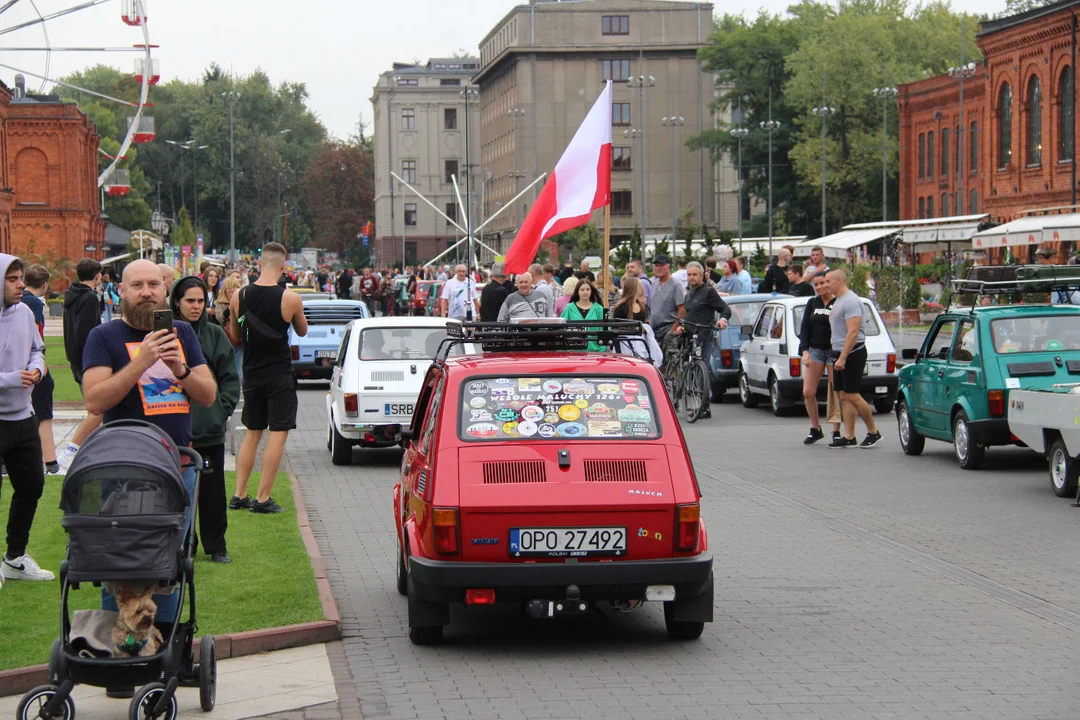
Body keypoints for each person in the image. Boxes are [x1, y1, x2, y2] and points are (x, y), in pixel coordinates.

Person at [82, 259, 216, 665]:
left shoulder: (184, 333)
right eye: (136, 285)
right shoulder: (103, 336)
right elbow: (94, 399)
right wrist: (141, 362)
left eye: (153, 284)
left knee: (170, 562)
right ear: (119, 291)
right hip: (121, 469)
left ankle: (164, 655)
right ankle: (116, 654)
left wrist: (180, 369)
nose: (146, 292)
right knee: (117, 560)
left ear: (165, 290)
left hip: (178, 466)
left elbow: (207, 394)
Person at [229, 243, 308, 514]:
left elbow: (236, 336)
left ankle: (239, 495)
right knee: (278, 432)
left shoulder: (239, 295)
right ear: (283, 267)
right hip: (279, 373)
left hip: (251, 372)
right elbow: (302, 330)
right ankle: (262, 498)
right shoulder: (290, 298)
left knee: (253, 432)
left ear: (259, 264)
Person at [171, 276, 240, 563]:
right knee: (176, 493)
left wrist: (219, 410)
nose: (196, 306)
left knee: (212, 493)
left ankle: (216, 545)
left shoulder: (214, 335)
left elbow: (230, 378)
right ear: (177, 302)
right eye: (190, 300)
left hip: (208, 430)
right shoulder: (164, 334)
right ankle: (182, 544)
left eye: (201, 300)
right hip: (173, 430)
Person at [0, 254, 53, 585]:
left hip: (23, 417)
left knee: (32, 484)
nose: (21, 284)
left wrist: (37, 368)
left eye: (21, 278)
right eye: (13, 279)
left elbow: (38, 349)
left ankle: (14, 557)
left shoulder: (24, 313)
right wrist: (9, 379)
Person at [57, 258, 104, 473]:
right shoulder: (90, 298)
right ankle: (71, 451)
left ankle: (86, 449)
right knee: (99, 408)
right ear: (97, 276)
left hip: (75, 357)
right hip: (87, 359)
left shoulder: (71, 295)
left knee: (96, 408)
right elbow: (85, 332)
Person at [827, 269, 881, 448]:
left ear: (839, 281)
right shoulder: (838, 301)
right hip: (839, 353)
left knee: (852, 394)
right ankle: (849, 435)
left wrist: (843, 357)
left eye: (829, 281)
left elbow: (853, 331)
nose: (826, 285)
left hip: (852, 353)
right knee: (843, 396)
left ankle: (873, 432)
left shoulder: (850, 301)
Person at [676, 262, 731, 419]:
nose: (691, 277)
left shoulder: (708, 292)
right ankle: (685, 398)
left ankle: (704, 407)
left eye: (695, 274)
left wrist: (723, 320)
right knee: (689, 370)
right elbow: (689, 315)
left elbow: (724, 308)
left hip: (704, 336)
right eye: (689, 274)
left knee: (702, 369)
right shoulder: (689, 293)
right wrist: (682, 326)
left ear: (701, 276)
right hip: (689, 336)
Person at [20, 264, 59, 475]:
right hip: (32, 364)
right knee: (43, 411)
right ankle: (50, 460)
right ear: (44, 285)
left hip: (18, 364)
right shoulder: (33, 302)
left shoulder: (15, 300)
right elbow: (34, 333)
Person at [798, 272, 841, 445]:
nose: (820, 287)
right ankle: (815, 428)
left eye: (823, 283)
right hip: (815, 350)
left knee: (834, 390)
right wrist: (805, 351)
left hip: (832, 350)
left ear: (829, 283)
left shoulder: (838, 303)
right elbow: (805, 328)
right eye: (816, 284)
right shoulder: (812, 302)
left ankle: (836, 431)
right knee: (807, 392)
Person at [649, 255, 685, 347]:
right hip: (653, 330)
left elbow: (682, 309)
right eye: (656, 266)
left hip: (667, 329)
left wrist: (672, 330)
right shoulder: (653, 283)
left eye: (661, 265)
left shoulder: (676, 285)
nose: (658, 268)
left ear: (668, 267)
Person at [560, 278, 605, 351]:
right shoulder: (569, 308)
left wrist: (602, 349)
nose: (585, 292)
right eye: (582, 290)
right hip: (573, 354)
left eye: (588, 289)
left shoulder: (598, 309)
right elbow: (561, 330)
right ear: (577, 291)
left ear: (591, 291)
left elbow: (605, 330)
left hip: (595, 353)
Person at [217, 276, 244, 382]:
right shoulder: (220, 303)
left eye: (235, 287)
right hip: (224, 341)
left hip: (239, 342)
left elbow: (243, 321)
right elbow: (220, 318)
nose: (232, 290)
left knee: (239, 374)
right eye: (229, 288)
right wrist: (229, 308)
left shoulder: (243, 303)